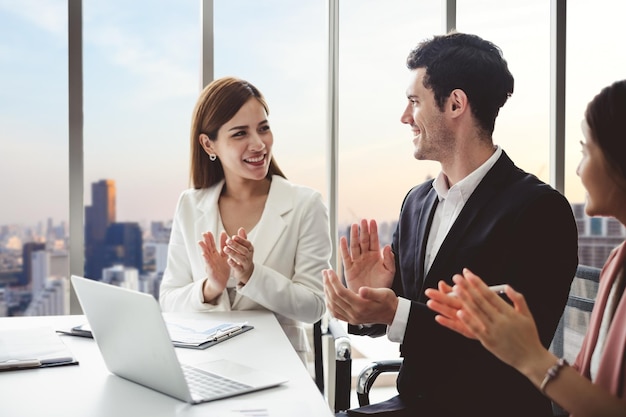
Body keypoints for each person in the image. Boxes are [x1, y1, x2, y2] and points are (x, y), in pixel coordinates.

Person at [323, 31, 579, 417]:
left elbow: (515, 342)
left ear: (456, 103)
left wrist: (395, 312)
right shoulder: (417, 201)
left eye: (414, 102)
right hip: (415, 402)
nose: (405, 117)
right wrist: (371, 302)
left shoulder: (540, 210)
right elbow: (411, 313)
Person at [426, 80, 626, 417]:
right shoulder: (617, 263)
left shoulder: (539, 208)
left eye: (586, 150)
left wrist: (529, 355)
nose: (578, 169)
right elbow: (584, 384)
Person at [159, 76, 331, 364]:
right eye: (240, 134)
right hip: (206, 364)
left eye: (263, 129)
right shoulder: (190, 205)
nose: (258, 144)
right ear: (209, 144)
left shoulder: (305, 204)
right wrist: (211, 287)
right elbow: (168, 300)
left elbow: (314, 306)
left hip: (279, 367)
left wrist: (252, 274)